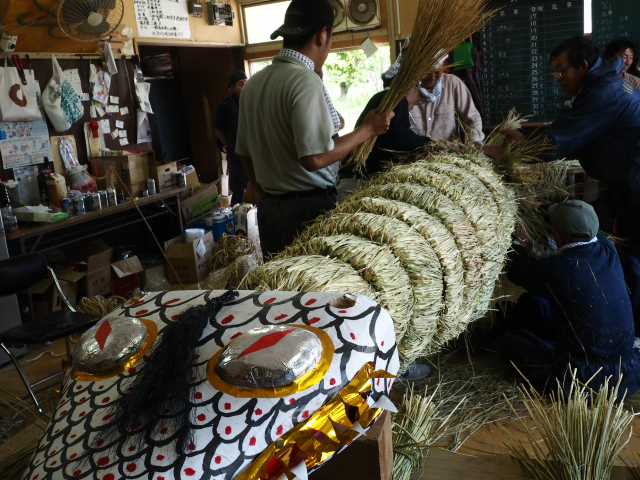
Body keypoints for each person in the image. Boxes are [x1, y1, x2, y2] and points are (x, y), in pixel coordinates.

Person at [235, 0, 393, 260]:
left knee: (282, 292)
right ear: (323, 34)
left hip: (269, 211)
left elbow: (243, 153)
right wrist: (367, 129)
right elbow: (315, 158)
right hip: (305, 211)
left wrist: (264, 194)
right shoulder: (304, 80)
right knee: (310, 295)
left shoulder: (254, 83)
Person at [504, 36, 640, 335]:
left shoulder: (604, 93)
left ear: (583, 66)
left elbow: (557, 142)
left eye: (561, 69)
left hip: (636, 187)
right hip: (627, 186)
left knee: (632, 260)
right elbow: (575, 134)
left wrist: (508, 152)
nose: (558, 77)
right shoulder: (604, 85)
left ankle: (628, 335)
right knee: (616, 248)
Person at [499, 200, 640, 398]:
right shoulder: (608, 249)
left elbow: (516, 269)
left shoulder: (560, 268)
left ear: (557, 235)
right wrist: (537, 207)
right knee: (536, 303)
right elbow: (578, 223)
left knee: (510, 342)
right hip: (627, 372)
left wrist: (520, 243)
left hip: (586, 379)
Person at [409, 61, 485, 143]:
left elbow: (472, 119)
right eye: (427, 72)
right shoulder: (406, 90)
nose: (432, 78)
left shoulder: (453, 83)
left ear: (444, 67)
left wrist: (474, 141)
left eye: (437, 72)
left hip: (449, 154)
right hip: (414, 154)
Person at [215, 71, 249, 207]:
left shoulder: (254, 101)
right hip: (237, 153)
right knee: (239, 188)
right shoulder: (225, 106)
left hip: (257, 151)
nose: (245, 86)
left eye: (247, 82)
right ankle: (237, 218)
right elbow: (218, 130)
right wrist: (230, 145)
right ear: (232, 88)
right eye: (241, 84)